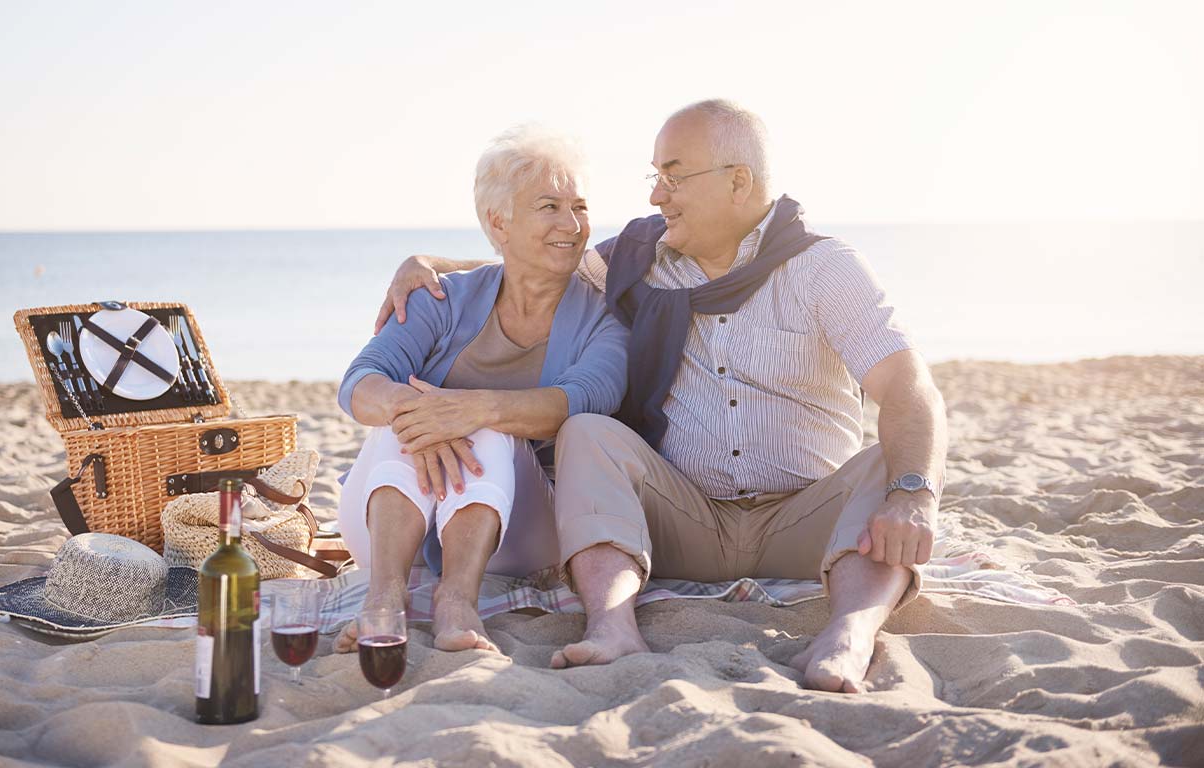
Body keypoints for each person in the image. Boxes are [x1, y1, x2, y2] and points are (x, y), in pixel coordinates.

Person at [373, 99, 948, 692]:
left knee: (894, 461)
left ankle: (849, 634)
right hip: (682, 522)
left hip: (806, 522)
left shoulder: (825, 269)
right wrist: (428, 263)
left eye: (673, 177)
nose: (656, 196)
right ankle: (612, 624)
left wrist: (913, 494)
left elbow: (908, 386)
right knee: (588, 430)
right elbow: (537, 260)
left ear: (738, 182)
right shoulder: (642, 258)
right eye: (656, 178)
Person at [334, 125, 628, 656]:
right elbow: (360, 382)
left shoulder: (603, 317)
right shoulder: (441, 298)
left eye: (579, 206)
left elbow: (588, 398)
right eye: (549, 206)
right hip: (387, 527)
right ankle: (384, 595)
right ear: (499, 221)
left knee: (488, 427)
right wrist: (419, 411)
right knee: (404, 411)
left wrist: (469, 410)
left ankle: (457, 601)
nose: (572, 224)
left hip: (517, 533)